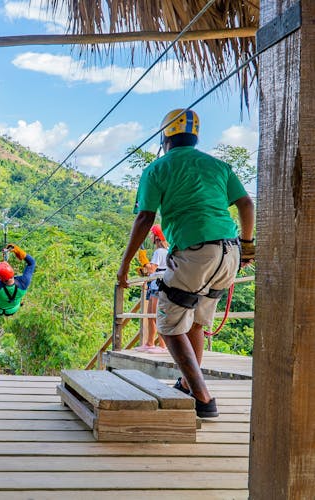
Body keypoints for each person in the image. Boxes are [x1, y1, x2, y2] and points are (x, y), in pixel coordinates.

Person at [117, 108, 255, 419]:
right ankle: (187, 384)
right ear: (195, 136)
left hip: (195, 253)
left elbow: (145, 217)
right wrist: (247, 246)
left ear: (165, 136)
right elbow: (246, 204)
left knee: (167, 323)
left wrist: (125, 264)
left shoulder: (157, 169)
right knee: (194, 321)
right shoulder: (218, 165)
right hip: (229, 252)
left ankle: (203, 398)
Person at [0, 244, 36, 336]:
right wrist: (19, 252)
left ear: (0, 278)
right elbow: (32, 263)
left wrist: (2, 263)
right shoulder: (24, 282)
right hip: (12, 309)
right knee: (13, 298)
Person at [136, 224, 169, 353]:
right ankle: (150, 343)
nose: (150, 236)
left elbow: (152, 268)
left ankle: (162, 345)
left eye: (151, 234)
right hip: (156, 284)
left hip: (158, 286)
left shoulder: (159, 252)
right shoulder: (166, 251)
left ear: (156, 237)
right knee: (150, 316)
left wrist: (144, 261)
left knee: (156, 316)